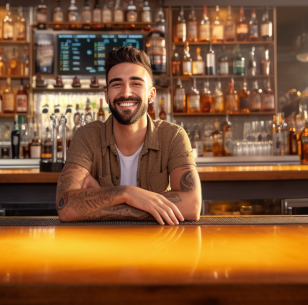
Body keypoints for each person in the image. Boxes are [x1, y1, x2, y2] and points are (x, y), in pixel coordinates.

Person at [56, 47, 202, 225]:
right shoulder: (87, 136)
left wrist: (101, 201)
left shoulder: (173, 136)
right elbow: (65, 206)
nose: (126, 93)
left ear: (151, 95)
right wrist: (126, 193)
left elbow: (192, 205)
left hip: (159, 246)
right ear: (107, 95)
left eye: (136, 83)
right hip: (100, 245)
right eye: (117, 84)